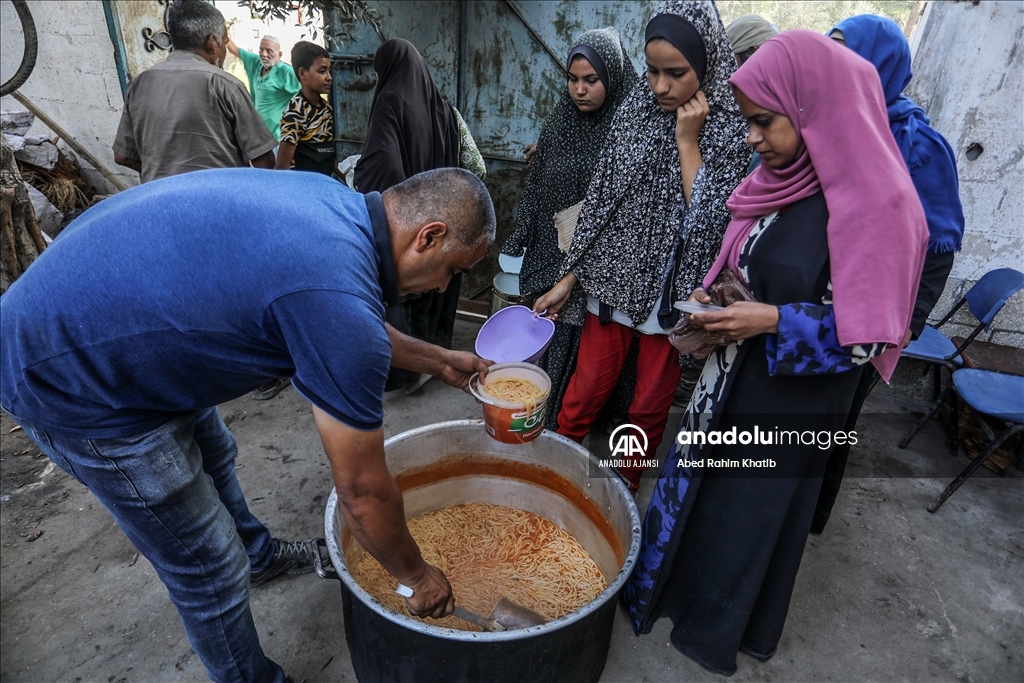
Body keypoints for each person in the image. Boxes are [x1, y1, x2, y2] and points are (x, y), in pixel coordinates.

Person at [0, 166, 495, 683]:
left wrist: (437, 361)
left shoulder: (335, 207)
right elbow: (363, 493)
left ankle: (260, 557)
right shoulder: (335, 298)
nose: (444, 286)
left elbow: (338, 317)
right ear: (429, 236)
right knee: (208, 567)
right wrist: (416, 576)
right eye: (453, 270)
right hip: (69, 378)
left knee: (214, 452)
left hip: (108, 326)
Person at [622, 31, 928, 675]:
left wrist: (771, 320)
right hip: (731, 377)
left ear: (817, 109)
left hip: (792, 400)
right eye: (747, 122)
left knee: (743, 519)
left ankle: (714, 626)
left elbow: (871, 335)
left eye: (763, 122)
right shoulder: (777, 181)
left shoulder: (881, 205)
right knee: (695, 500)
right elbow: (752, 261)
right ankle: (664, 594)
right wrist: (719, 293)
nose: (752, 139)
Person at [535, 0, 750, 492]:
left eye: (676, 73)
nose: (660, 86)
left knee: (648, 406)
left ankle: (620, 492)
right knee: (583, 391)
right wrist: (569, 275)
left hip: (672, 296)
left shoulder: (734, 123)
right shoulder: (634, 108)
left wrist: (688, 142)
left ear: (709, 62)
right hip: (612, 284)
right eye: (652, 71)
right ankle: (555, 477)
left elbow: (716, 222)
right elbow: (604, 199)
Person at [811, 14, 967, 533]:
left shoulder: (918, 145)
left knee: (833, 421)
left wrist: (908, 323)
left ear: (878, 68)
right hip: (812, 303)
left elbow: (940, 243)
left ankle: (811, 517)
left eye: (844, 57)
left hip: (872, 317)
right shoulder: (828, 128)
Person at [500, 27, 639, 430]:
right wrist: (523, 231)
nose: (580, 90)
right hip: (550, 246)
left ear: (611, 78)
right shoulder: (562, 118)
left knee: (585, 347)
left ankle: (570, 422)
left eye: (591, 80)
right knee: (546, 326)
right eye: (573, 79)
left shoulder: (627, 129)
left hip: (596, 258)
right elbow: (540, 177)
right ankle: (539, 409)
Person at [355, 38, 466, 392]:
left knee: (404, 290)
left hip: (407, 222)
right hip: (441, 216)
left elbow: (381, 165)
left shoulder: (390, 100)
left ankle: (404, 371)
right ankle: (433, 359)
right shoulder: (442, 107)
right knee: (435, 286)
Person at [112, 0, 275, 182]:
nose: (223, 50)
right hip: (219, 200)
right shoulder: (226, 86)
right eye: (224, 42)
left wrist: (166, 173)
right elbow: (264, 160)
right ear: (212, 42)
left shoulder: (139, 84)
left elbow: (122, 156)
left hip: (159, 200)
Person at [276, 41, 336, 176]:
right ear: (302, 74)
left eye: (329, 71)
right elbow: (281, 168)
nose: (329, 77)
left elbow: (326, 155)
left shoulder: (326, 109)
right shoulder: (296, 112)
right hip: (303, 187)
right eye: (322, 71)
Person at [226, 34, 301, 141]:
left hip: (277, 137)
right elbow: (233, 48)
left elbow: (309, 88)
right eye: (261, 50)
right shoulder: (256, 63)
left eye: (269, 51)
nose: (264, 54)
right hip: (258, 133)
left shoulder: (285, 72)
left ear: (279, 55)